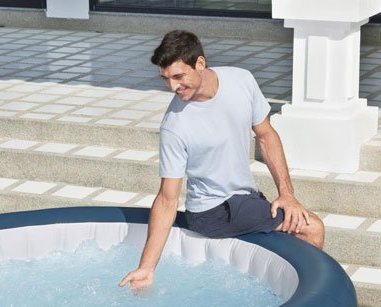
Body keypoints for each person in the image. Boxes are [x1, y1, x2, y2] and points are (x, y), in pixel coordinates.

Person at [119, 30, 325, 289]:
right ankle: (309, 306)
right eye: (166, 79)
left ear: (201, 64)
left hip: (243, 197)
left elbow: (266, 135)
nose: (172, 86)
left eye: (178, 76)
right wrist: (147, 266)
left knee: (291, 223)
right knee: (312, 227)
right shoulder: (175, 124)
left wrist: (287, 193)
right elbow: (167, 198)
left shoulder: (241, 80)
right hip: (212, 210)